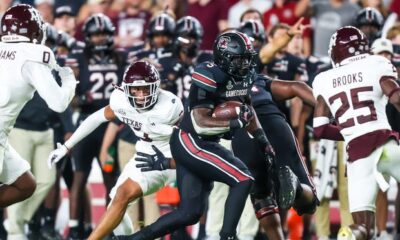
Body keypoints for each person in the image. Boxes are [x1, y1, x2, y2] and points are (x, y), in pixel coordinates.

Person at [117, 30, 278, 240]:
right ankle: (228, 236)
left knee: (189, 213)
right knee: (243, 178)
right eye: (239, 60)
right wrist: (234, 122)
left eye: (247, 59)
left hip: (200, 144)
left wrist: (262, 139)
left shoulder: (241, 78)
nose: (245, 65)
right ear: (224, 58)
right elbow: (200, 121)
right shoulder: (208, 73)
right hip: (192, 140)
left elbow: (248, 108)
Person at [48, 61, 183, 240]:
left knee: (124, 195)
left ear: (156, 88)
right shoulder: (121, 102)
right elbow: (96, 118)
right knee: (116, 202)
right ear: (126, 89)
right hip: (145, 152)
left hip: (170, 155)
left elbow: (188, 139)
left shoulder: (169, 106)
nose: (141, 95)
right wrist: (67, 146)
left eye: (146, 89)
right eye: (136, 90)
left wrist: (177, 163)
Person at [312, 26, 400, 240]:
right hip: (385, 144)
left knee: (362, 226)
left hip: (357, 155)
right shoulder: (376, 64)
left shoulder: (324, 79)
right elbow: (396, 98)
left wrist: (351, 133)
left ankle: (348, 236)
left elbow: (320, 128)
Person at [0, 4, 76, 208]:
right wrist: (69, 79)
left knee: (25, 185)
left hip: (2, 135)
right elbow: (59, 103)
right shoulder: (33, 55)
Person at [63, 13, 127, 239]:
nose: (100, 38)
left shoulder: (121, 57)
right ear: (88, 37)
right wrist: (79, 100)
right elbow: (69, 93)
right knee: (80, 177)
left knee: (112, 179)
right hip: (88, 123)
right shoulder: (78, 57)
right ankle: (74, 227)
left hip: (111, 125)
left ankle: (111, 228)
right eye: (96, 34)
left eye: (103, 34)